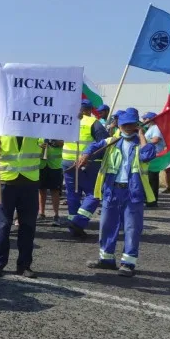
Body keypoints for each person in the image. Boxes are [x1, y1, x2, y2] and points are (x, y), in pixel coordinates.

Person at [81, 108, 156, 277]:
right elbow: (94, 145)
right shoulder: (112, 141)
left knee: (132, 228)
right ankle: (106, 260)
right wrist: (86, 153)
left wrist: (142, 135)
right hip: (111, 191)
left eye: (131, 124)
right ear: (119, 126)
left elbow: (147, 155)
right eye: (124, 125)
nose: (128, 127)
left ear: (137, 124)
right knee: (107, 226)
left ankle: (128, 264)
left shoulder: (142, 144)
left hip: (132, 193)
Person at [0, 132, 42, 278]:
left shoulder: (37, 123)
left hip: (29, 182)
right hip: (6, 181)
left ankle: (24, 265)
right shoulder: (2, 121)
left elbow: (52, 140)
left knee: (28, 225)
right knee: (3, 225)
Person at [62, 99, 108, 238]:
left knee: (73, 194)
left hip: (67, 162)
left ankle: (73, 226)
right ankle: (79, 222)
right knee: (94, 194)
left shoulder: (67, 121)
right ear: (89, 110)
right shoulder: (93, 123)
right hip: (86, 163)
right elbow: (104, 144)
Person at [141, 112, 165, 207]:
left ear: (151, 119)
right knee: (148, 178)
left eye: (145, 119)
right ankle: (148, 199)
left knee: (152, 179)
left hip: (154, 156)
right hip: (150, 156)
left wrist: (143, 140)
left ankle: (152, 201)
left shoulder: (156, 128)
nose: (143, 121)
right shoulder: (151, 128)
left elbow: (156, 140)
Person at [38, 139, 64, 226]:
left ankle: (56, 215)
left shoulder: (57, 130)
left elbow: (63, 143)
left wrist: (54, 142)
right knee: (42, 189)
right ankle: (41, 213)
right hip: (41, 164)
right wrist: (39, 146)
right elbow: (34, 143)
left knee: (55, 191)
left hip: (55, 165)